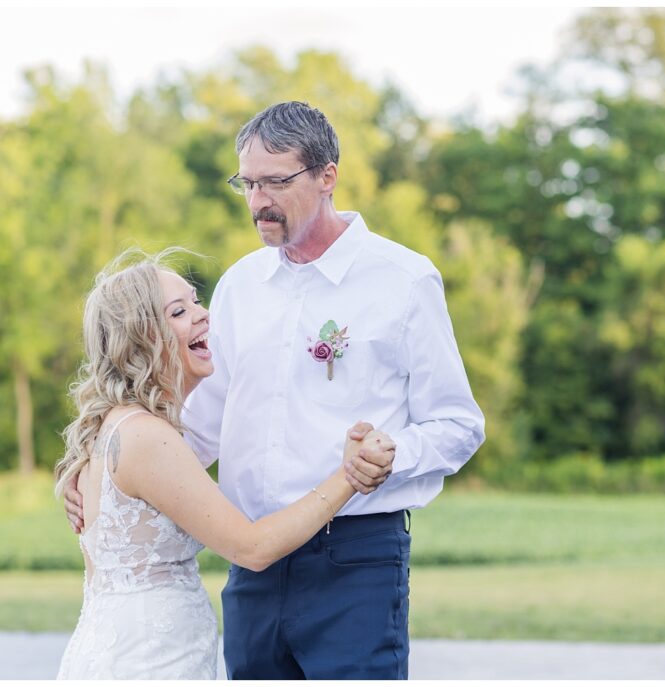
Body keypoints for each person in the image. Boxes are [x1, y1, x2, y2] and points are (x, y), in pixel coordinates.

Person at [66, 101, 485, 679]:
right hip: (251, 567)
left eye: (275, 182)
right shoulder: (241, 285)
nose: (258, 201)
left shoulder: (403, 280)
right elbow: (203, 424)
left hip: (354, 560)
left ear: (326, 176)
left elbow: (459, 425)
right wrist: (111, 483)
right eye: (248, 183)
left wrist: (388, 457)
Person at [53, 249, 390, 680]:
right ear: (142, 336)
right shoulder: (146, 435)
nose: (203, 315)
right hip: (146, 665)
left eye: (196, 301)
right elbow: (250, 548)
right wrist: (349, 474)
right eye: (179, 311)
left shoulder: (125, 428)